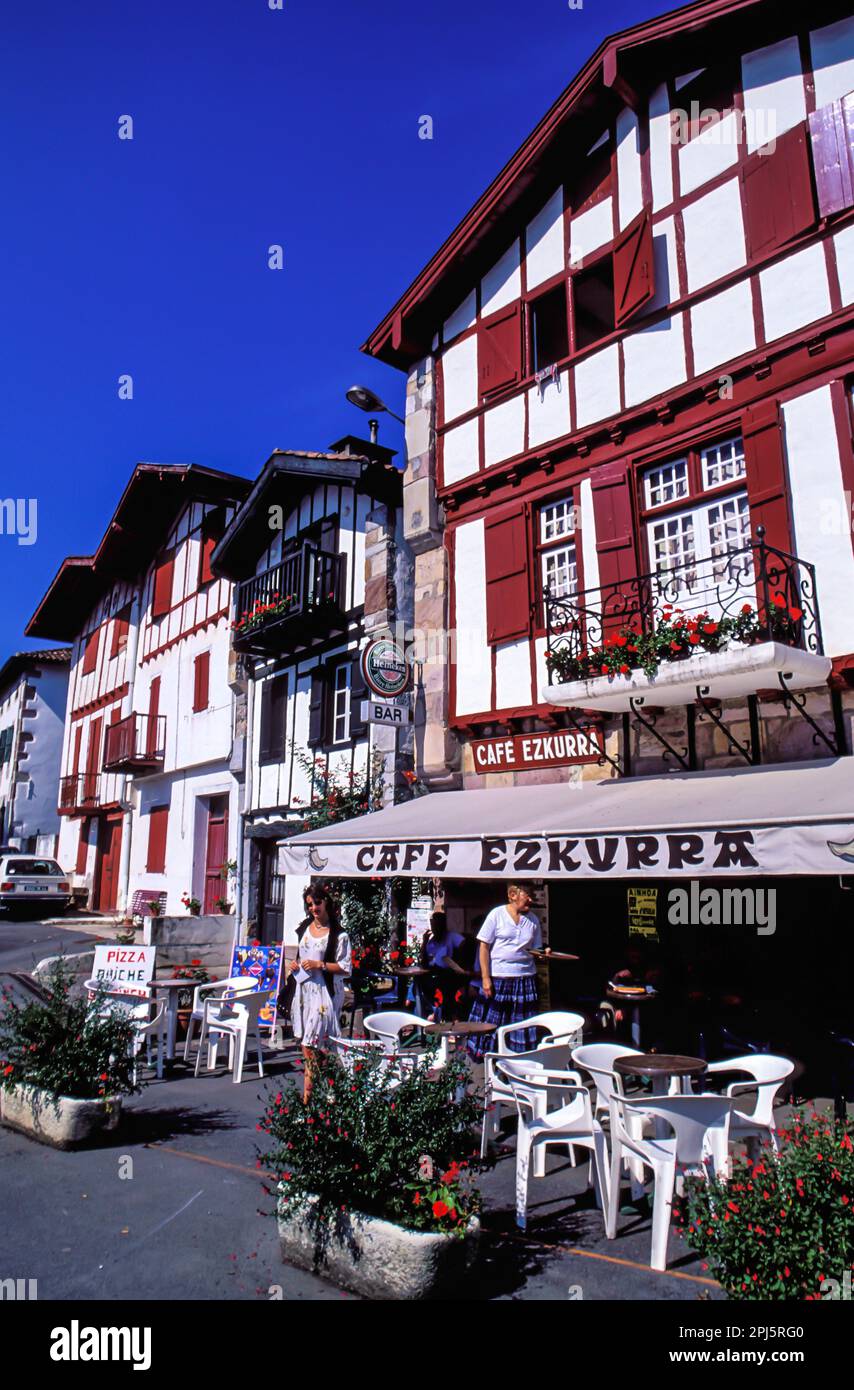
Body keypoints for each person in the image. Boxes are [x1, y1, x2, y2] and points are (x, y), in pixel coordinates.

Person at [286, 882, 351, 1101]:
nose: (314, 908)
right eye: (310, 905)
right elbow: (301, 955)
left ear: (326, 902)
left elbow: (345, 968)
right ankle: (333, 1088)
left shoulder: (338, 935)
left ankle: (307, 1102)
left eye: (317, 903)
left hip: (326, 994)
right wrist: (295, 965)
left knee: (308, 1046)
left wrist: (319, 965)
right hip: (305, 991)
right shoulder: (305, 926)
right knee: (316, 1049)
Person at [466, 882, 547, 1059]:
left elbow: (536, 949)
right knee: (494, 1021)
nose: (531, 900)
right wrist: (486, 978)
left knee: (521, 1024)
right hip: (500, 978)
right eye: (528, 895)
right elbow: (484, 947)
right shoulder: (497, 915)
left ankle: (518, 1060)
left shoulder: (532, 920)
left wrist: (543, 953)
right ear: (512, 895)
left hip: (525, 978)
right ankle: (489, 1057)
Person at [421, 910, 469, 1021]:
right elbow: (424, 959)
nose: (434, 928)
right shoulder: (432, 941)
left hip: (450, 972)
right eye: (433, 925)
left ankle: (446, 1016)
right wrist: (424, 941)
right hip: (434, 972)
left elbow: (465, 944)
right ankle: (433, 1011)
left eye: (437, 925)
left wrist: (457, 959)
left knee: (446, 986)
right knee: (418, 984)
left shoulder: (451, 936)